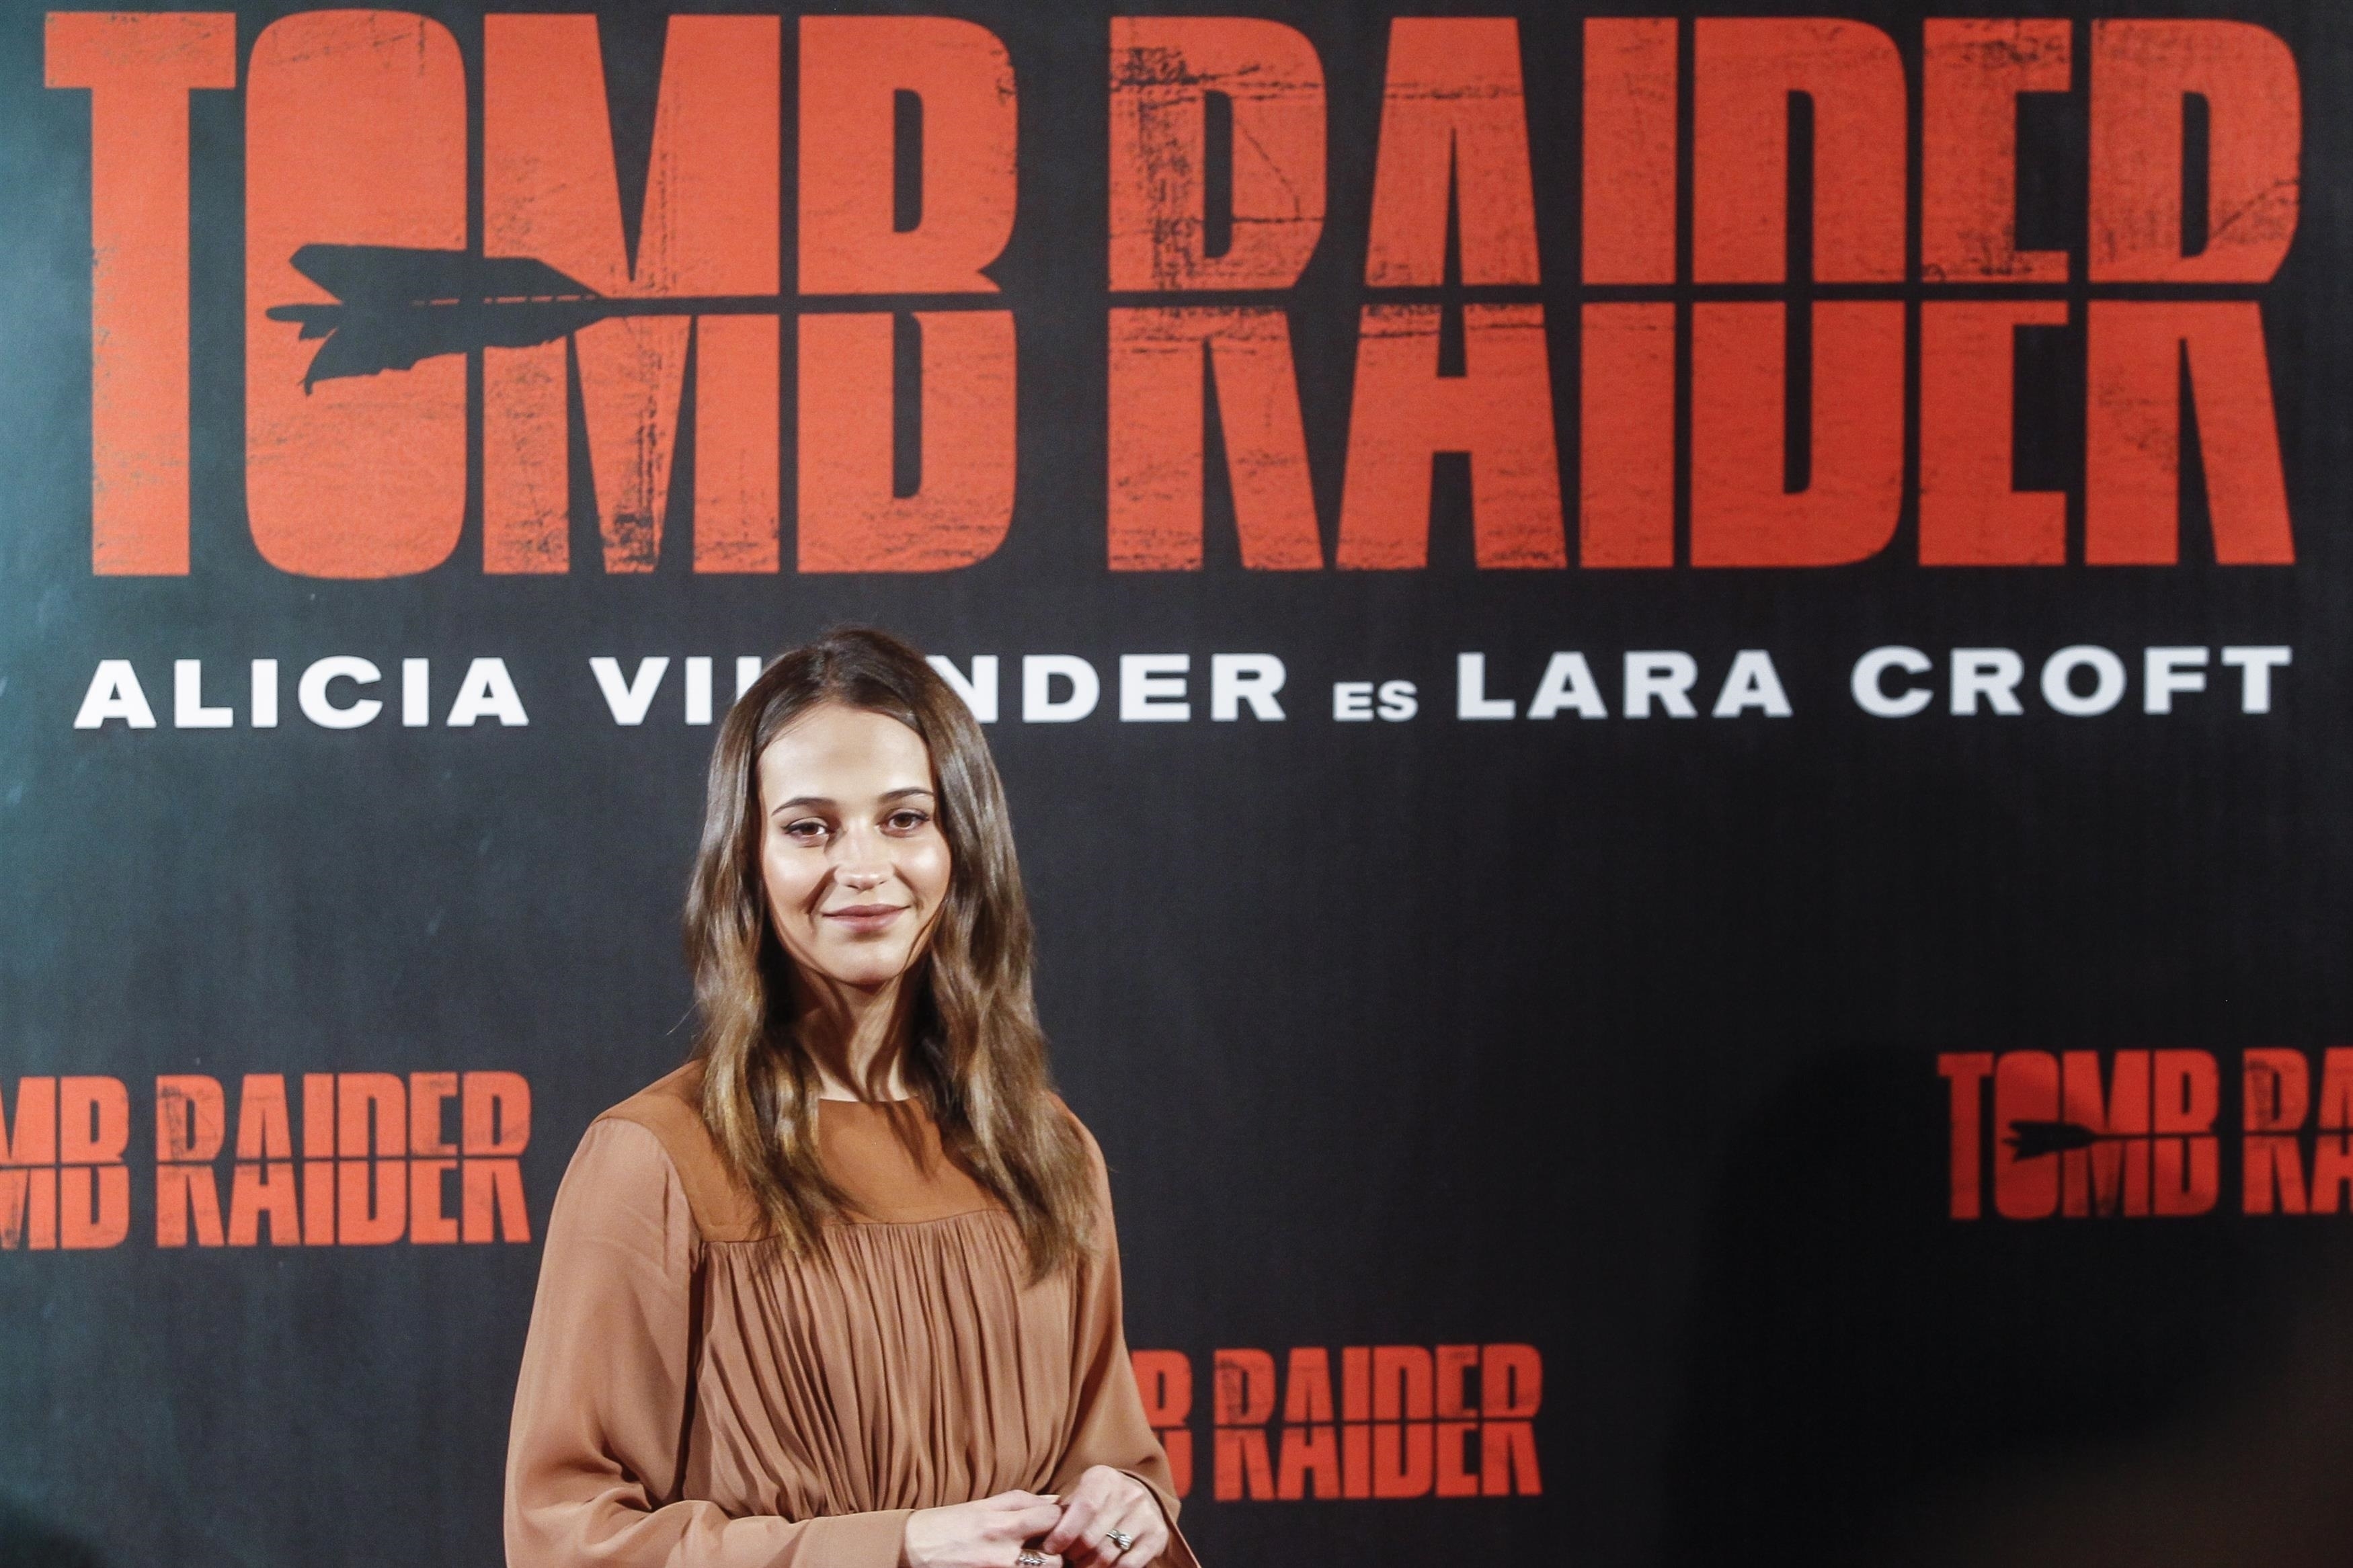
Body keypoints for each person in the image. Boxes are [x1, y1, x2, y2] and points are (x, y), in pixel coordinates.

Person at [505, 628, 1195, 1568]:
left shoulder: (1046, 1148)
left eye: (905, 818)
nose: (864, 866)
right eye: (809, 827)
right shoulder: (655, 1159)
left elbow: (1108, 1462)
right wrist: (895, 1546)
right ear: (746, 860)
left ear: (963, 845)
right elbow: (564, 1540)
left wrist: (1129, 1505)